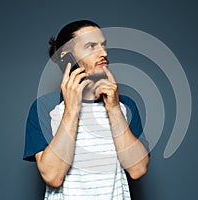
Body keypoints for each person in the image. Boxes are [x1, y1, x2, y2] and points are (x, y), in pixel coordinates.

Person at [23, 20, 149, 199]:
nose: (103, 53)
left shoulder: (125, 106)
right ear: (68, 57)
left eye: (103, 46)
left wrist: (113, 108)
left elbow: (137, 170)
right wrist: (72, 109)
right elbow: (52, 176)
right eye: (91, 46)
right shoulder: (45, 108)